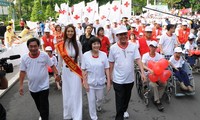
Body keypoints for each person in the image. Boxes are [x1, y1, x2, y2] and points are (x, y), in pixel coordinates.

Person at [109, 26, 146, 120]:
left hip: (130, 79)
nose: (123, 36)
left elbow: (138, 59)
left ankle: (124, 110)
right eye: (120, 34)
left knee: (127, 97)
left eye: (125, 34)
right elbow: (111, 63)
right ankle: (119, 117)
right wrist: (109, 77)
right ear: (117, 36)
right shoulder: (113, 48)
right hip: (118, 79)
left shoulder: (133, 46)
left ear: (127, 35)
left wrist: (142, 72)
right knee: (119, 99)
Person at [19, 38, 60, 120]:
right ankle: (43, 114)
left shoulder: (44, 55)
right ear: (28, 47)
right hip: (32, 87)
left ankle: (44, 117)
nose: (33, 48)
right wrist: (21, 86)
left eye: (35, 46)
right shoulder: (24, 58)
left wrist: (57, 75)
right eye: (31, 46)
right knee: (38, 104)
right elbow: (22, 72)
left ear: (38, 46)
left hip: (44, 86)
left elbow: (52, 66)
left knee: (44, 104)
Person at [57, 24, 83, 120]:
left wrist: (83, 71)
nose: (70, 33)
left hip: (75, 70)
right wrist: (58, 73)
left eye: (72, 31)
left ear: (74, 32)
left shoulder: (78, 43)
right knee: (67, 93)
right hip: (66, 71)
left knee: (76, 93)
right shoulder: (61, 45)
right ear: (65, 32)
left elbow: (82, 57)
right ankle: (68, 115)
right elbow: (59, 61)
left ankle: (77, 116)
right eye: (68, 31)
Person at [81, 37, 111, 120]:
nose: (96, 45)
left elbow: (107, 68)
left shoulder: (104, 55)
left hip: (101, 82)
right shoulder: (86, 55)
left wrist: (108, 81)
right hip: (90, 82)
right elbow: (83, 69)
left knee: (100, 99)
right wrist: (85, 83)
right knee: (91, 101)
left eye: (98, 44)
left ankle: (98, 106)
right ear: (91, 45)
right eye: (94, 44)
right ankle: (94, 117)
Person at [142, 41, 166, 111]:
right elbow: (142, 65)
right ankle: (157, 101)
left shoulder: (159, 56)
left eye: (154, 47)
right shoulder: (145, 55)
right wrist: (150, 70)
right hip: (149, 75)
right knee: (154, 85)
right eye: (151, 46)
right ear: (149, 47)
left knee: (164, 84)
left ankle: (156, 97)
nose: (152, 48)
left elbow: (162, 64)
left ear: (156, 48)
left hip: (158, 75)